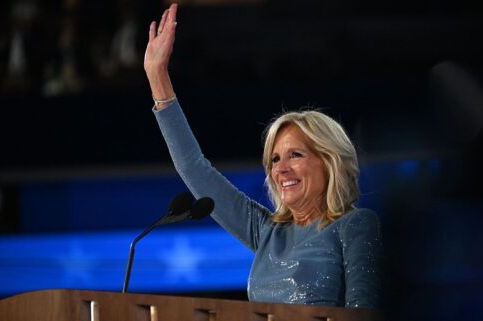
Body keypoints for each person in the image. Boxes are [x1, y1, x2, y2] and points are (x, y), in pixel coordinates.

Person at [144, 3, 383, 308]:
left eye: (294, 154)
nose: (280, 170)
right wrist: (157, 77)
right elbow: (194, 168)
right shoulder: (267, 232)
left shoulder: (356, 225)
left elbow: (363, 313)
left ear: (329, 160)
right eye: (274, 159)